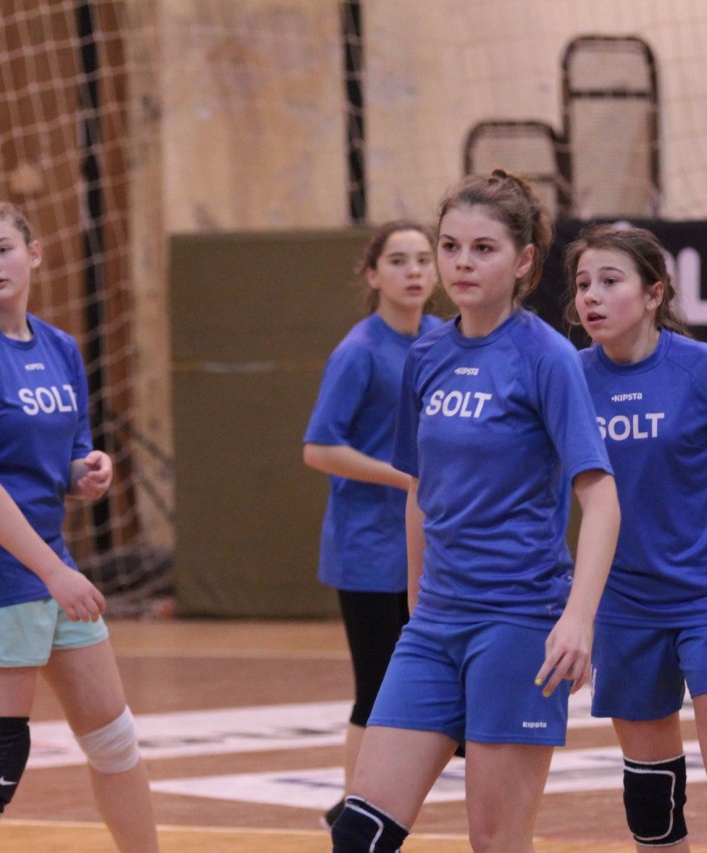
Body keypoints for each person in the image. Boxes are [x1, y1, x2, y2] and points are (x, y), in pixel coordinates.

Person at [330, 170, 621, 853]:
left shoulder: (546, 357)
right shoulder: (426, 353)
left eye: (483, 248)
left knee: (496, 840)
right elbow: (418, 489)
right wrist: (415, 607)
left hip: (518, 623)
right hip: (435, 624)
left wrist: (578, 618)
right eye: (451, 246)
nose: (461, 262)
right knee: (358, 831)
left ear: (523, 261)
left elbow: (601, 496)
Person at [0, 200, 159, 853]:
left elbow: (66, 460)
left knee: (114, 740)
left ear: (34, 253)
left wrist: (87, 472)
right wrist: (56, 572)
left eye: (3, 248)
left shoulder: (60, 348)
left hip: (46, 564)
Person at [566, 223, 707, 852]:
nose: (592, 296)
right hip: (623, 605)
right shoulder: (570, 377)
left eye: (610, 281)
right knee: (650, 798)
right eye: (583, 284)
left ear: (653, 294)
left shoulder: (704, 368)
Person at [302, 220, 442, 830]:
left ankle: (373, 798)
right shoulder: (359, 350)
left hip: (429, 543)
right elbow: (318, 448)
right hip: (366, 547)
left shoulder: (444, 340)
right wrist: (403, 476)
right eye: (399, 260)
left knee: (419, 678)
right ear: (373, 274)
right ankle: (351, 808)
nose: (414, 271)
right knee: (378, 683)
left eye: (424, 259)